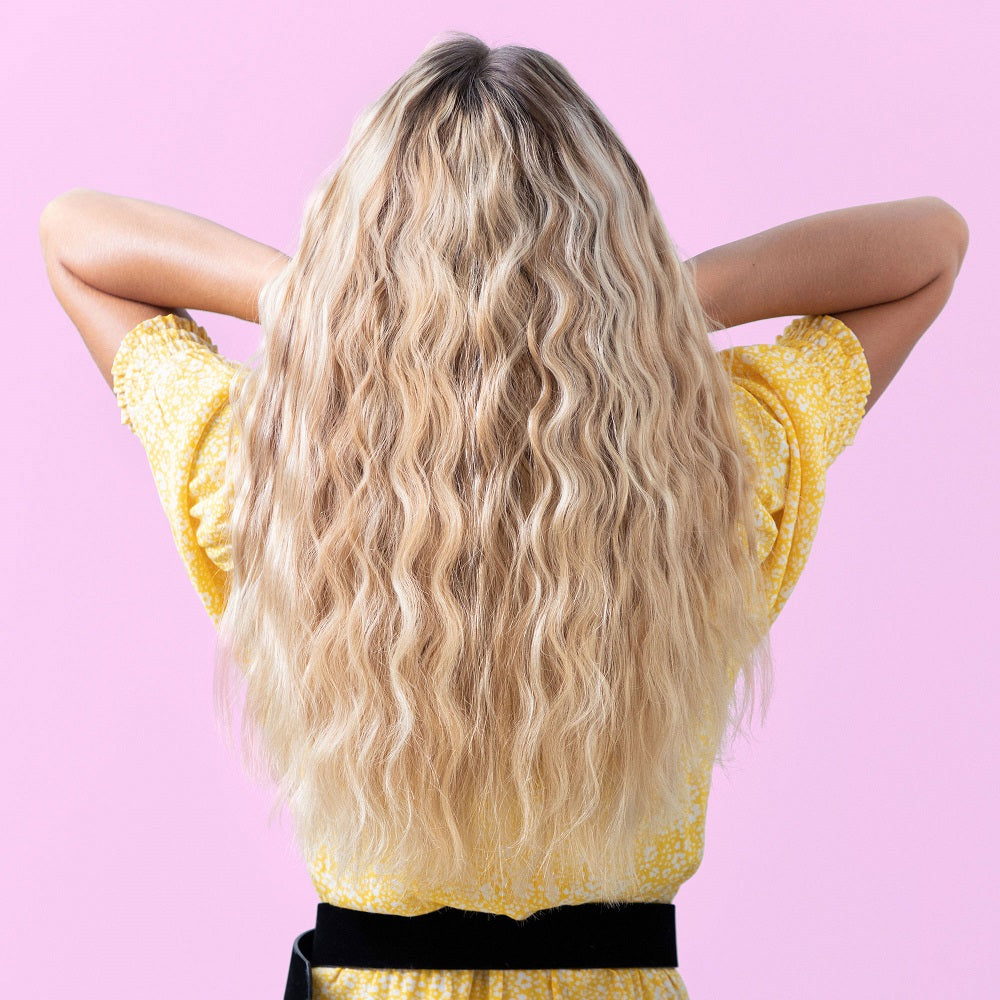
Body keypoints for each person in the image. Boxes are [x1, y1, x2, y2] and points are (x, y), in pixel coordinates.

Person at [39, 30, 969, 1000]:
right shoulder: (714, 469)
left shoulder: (280, 476)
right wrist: (646, 302)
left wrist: (327, 301)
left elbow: (75, 236)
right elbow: (929, 248)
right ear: (605, 261)